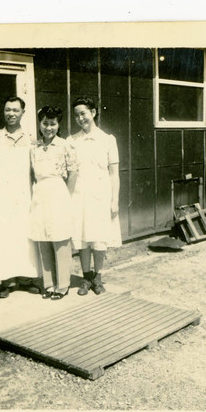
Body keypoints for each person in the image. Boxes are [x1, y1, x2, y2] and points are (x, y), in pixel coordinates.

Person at [68, 96, 121, 295]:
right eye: (76, 115)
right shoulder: (71, 141)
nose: (80, 118)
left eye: (83, 113)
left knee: (99, 238)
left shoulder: (107, 140)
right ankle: (86, 277)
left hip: (101, 195)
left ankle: (98, 276)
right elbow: (70, 172)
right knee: (82, 238)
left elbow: (114, 174)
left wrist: (114, 200)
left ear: (93, 112)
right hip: (79, 195)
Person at [0, 96, 40, 298]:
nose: (11, 114)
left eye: (15, 110)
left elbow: (35, 169)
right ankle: (7, 280)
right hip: (4, 194)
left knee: (25, 234)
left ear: (23, 113)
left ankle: (26, 278)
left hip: (25, 192)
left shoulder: (31, 137)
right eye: (8, 110)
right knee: (6, 236)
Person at [29, 106, 78, 300]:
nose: (49, 127)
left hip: (58, 192)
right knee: (43, 237)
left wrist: (67, 195)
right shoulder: (34, 147)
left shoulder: (65, 145)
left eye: (53, 123)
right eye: (45, 123)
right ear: (40, 124)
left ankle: (63, 284)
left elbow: (73, 172)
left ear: (59, 125)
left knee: (60, 238)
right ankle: (48, 283)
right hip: (40, 192)